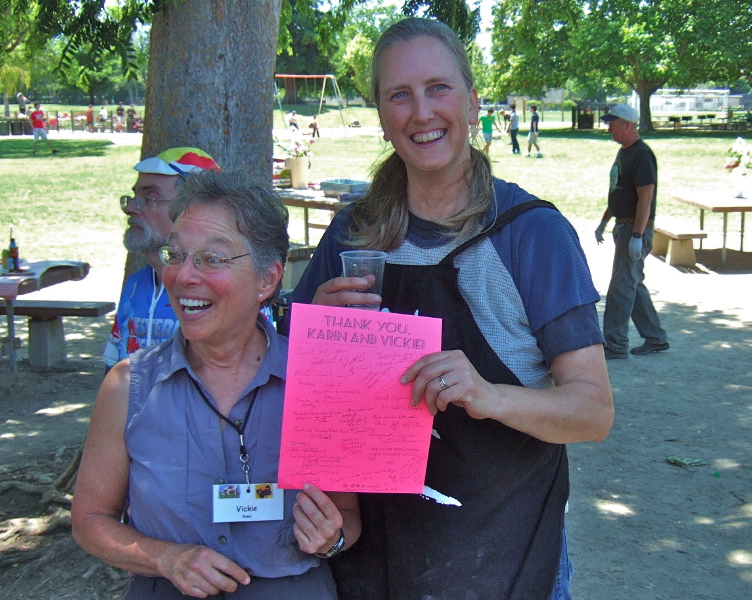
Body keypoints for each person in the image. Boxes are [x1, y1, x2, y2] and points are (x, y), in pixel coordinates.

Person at [290, 17, 614, 600]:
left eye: (438, 88)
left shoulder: (530, 234)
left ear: (472, 101)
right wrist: (314, 324)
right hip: (372, 558)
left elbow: (592, 412)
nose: (421, 112)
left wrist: (487, 394)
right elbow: (300, 391)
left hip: (503, 555)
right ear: (383, 116)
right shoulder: (352, 234)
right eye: (399, 95)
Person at [72, 170, 361, 599]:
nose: (184, 275)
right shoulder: (128, 387)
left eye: (212, 258)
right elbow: (90, 520)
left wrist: (331, 538)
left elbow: (347, 514)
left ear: (267, 279)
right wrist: (166, 558)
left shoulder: (319, 381)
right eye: (176, 254)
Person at [103, 147, 222, 370]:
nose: (129, 208)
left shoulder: (221, 294)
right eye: (134, 197)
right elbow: (112, 369)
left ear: (191, 209)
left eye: (149, 198)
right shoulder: (137, 284)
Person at [595, 104, 669, 359]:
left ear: (627, 125)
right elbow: (618, 191)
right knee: (633, 284)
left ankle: (615, 345)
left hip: (634, 228)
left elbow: (645, 198)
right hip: (623, 225)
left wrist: (638, 235)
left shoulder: (642, 155)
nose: (609, 129)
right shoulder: (623, 153)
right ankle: (655, 338)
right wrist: (605, 221)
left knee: (620, 287)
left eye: (613, 125)